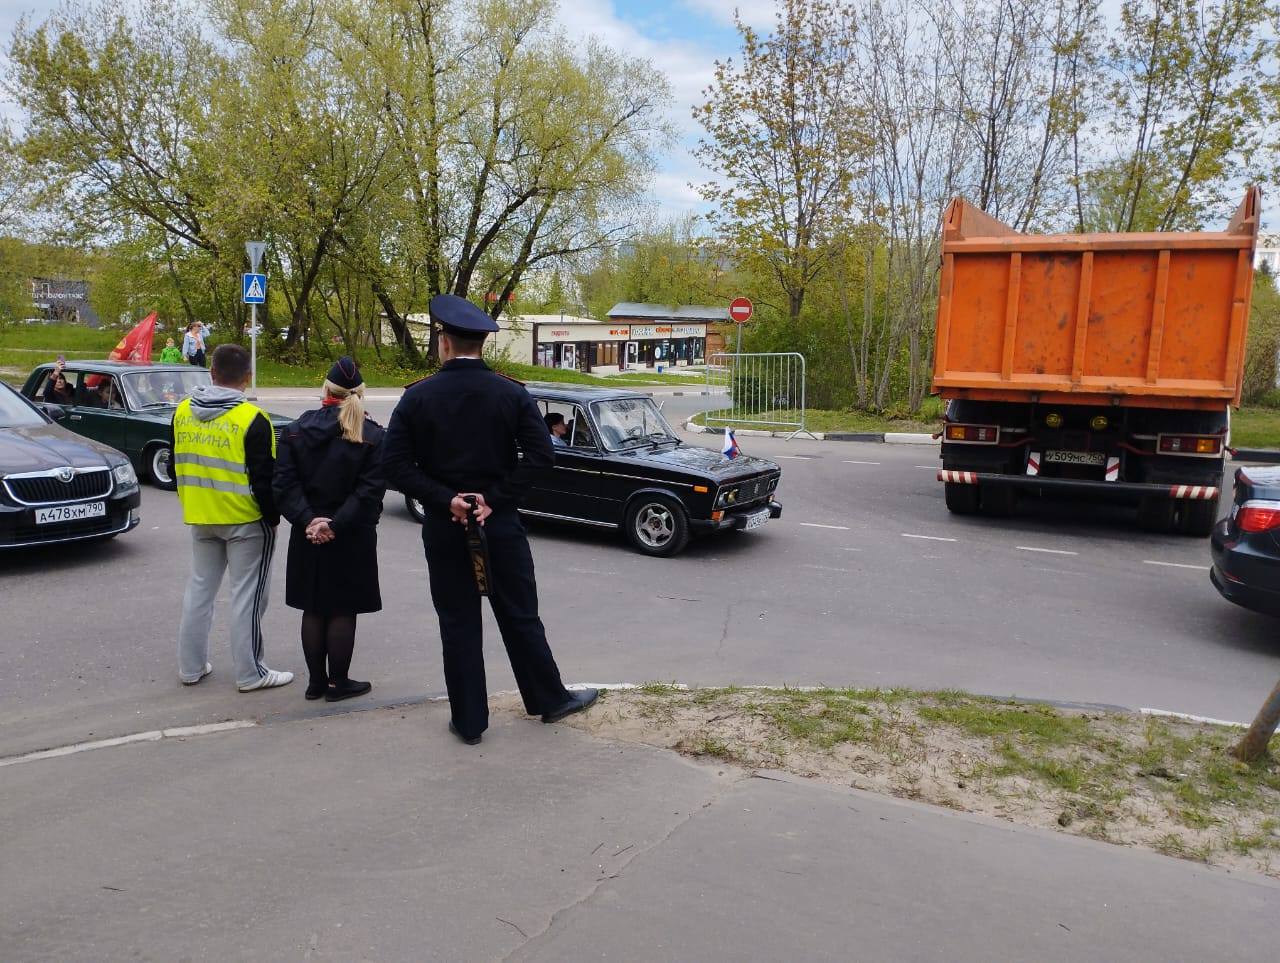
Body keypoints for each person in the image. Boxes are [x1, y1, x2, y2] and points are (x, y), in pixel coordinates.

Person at [381, 293, 597, 745]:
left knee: (458, 621)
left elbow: (394, 466)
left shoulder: (417, 397)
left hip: (446, 527)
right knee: (520, 614)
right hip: (498, 526)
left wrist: (446, 500)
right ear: (482, 344)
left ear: (443, 342)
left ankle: (469, 722)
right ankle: (550, 700)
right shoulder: (511, 393)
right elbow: (541, 457)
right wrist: (493, 500)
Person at [173, 343, 291, 692]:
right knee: (247, 597)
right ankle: (251, 673)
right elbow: (264, 479)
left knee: (199, 591)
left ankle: (190, 667)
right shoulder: (253, 419)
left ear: (211, 373)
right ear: (248, 377)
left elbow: (178, 462)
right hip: (245, 521)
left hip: (200, 514)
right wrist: (272, 518)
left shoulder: (182, 411)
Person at [273, 357, 386, 702]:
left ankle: (316, 683)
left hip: (308, 533)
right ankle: (338, 683)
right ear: (360, 393)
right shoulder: (372, 434)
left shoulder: (295, 429)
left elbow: (284, 485)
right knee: (342, 608)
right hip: (351, 534)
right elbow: (369, 491)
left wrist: (310, 521)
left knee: (314, 606)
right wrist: (335, 525)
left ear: (326, 389)